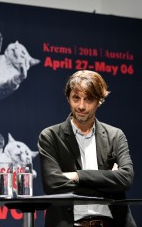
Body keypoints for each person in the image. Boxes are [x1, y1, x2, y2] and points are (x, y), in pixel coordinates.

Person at [37, 70, 136, 227]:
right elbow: (52, 183)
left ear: (99, 101)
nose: (81, 106)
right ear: (68, 98)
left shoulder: (115, 135)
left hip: (112, 223)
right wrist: (108, 179)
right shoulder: (50, 136)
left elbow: (126, 178)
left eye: (88, 99)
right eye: (76, 98)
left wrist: (77, 176)